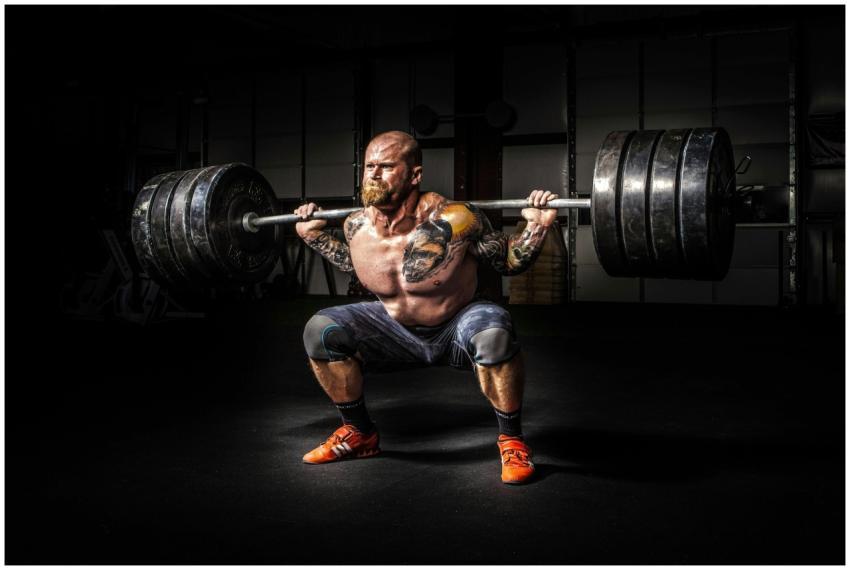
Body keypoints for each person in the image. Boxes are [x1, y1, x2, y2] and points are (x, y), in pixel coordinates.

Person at [294, 130, 557, 484]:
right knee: (320, 330)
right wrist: (314, 236)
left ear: (414, 175)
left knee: (494, 332)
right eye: (369, 166)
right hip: (392, 328)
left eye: (386, 166)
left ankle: (512, 440)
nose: (373, 174)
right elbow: (354, 263)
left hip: (455, 323)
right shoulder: (355, 225)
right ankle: (359, 433)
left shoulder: (459, 219)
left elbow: (508, 261)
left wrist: (536, 227)